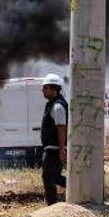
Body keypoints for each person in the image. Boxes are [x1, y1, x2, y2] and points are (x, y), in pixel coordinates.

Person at [41, 73, 68, 205]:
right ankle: (77, 187)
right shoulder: (52, 104)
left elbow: (61, 128)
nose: (42, 90)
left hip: (54, 149)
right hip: (52, 148)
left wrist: (62, 150)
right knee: (55, 177)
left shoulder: (58, 106)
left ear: (54, 89)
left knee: (47, 177)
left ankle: (52, 205)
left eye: (45, 88)